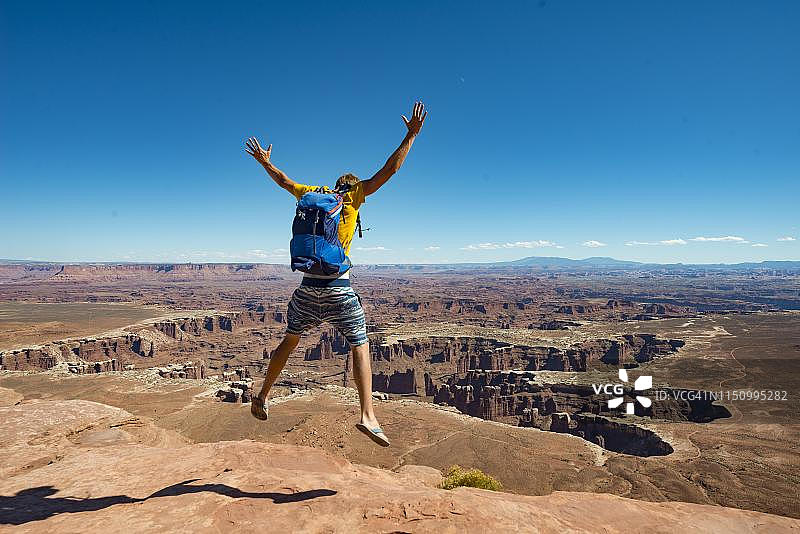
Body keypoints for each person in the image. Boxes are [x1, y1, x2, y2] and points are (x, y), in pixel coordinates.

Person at [244, 101, 427, 446]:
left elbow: (284, 181)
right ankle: (367, 415)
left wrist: (265, 162)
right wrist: (411, 136)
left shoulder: (314, 194)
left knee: (290, 339)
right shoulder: (355, 195)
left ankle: (263, 396)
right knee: (360, 343)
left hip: (306, 288)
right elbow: (389, 171)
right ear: (354, 188)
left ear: (333, 185)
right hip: (338, 289)